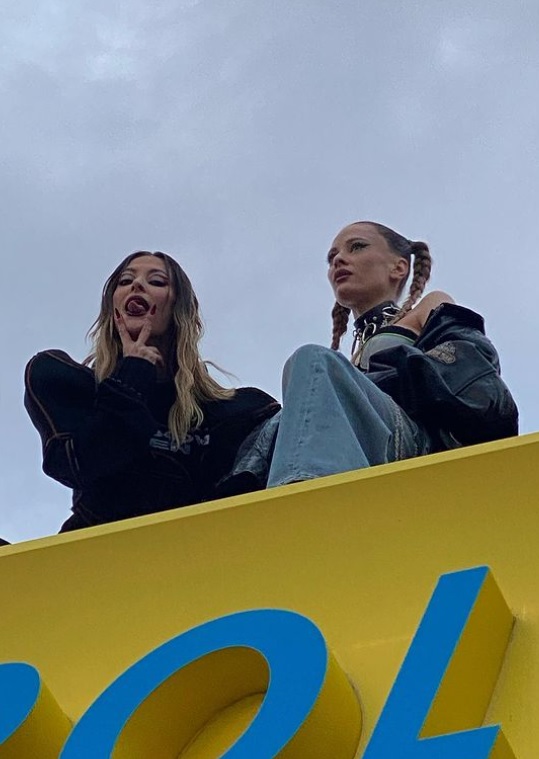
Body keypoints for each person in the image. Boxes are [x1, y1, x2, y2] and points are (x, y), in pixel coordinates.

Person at [24, 251, 280, 532]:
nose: (137, 285)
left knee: (305, 373)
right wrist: (133, 373)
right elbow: (78, 466)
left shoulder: (235, 410)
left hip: (206, 542)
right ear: (113, 309)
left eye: (157, 281)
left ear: (179, 309)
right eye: (125, 281)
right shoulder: (68, 382)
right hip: (102, 547)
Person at [257, 221, 518, 487]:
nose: (339, 260)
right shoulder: (344, 365)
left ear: (399, 267)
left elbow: (470, 365)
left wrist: (371, 379)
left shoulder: (427, 307)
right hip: (363, 450)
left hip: (417, 446)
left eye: (356, 247)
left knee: (312, 361)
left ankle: (305, 496)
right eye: (332, 257)